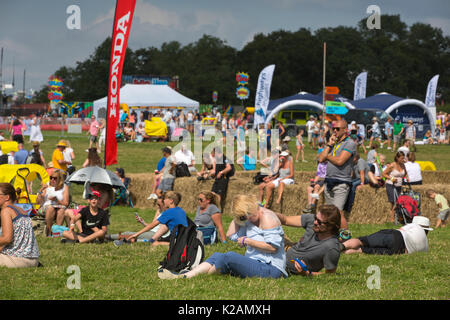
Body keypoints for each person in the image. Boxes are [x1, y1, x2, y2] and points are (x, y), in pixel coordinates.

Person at [159, 194, 287, 279]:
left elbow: (272, 248)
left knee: (229, 256)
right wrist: (237, 218)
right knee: (217, 255)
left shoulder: (267, 218)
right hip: (256, 263)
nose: (245, 220)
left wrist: (248, 241)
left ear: (251, 209)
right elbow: (231, 235)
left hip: (271, 269)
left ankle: (199, 277)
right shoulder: (250, 218)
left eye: (245, 216)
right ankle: (187, 276)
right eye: (242, 217)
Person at [276, 204, 342, 276]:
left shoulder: (331, 247)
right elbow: (285, 220)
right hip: (285, 252)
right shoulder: (313, 221)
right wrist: (268, 213)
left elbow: (329, 275)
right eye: (315, 218)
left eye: (319, 222)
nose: (315, 222)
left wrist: (307, 273)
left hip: (286, 268)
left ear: (330, 226)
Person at [318, 119, 356, 230]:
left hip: (342, 182)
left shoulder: (350, 143)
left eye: (337, 129)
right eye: (333, 128)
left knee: (338, 212)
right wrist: (329, 145)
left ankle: (345, 236)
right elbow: (320, 159)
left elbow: (340, 161)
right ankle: (331, 235)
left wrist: (327, 155)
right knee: (329, 213)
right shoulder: (333, 143)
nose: (334, 131)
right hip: (329, 180)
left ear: (345, 130)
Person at [343, 216, 433, 255]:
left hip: (395, 235)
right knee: (363, 250)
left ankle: (340, 246)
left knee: (362, 241)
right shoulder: (425, 246)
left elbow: (400, 230)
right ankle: (349, 252)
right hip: (399, 250)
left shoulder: (414, 226)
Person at [0, 183, 40, 268]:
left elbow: (7, 238)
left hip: (17, 260)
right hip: (33, 260)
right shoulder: (22, 210)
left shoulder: (6, 211)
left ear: (7, 197)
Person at [36, 170, 70, 236]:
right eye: (51, 178)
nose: (52, 180)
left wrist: (57, 200)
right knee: (51, 208)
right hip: (45, 207)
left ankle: (56, 231)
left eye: (55, 178)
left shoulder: (64, 187)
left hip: (59, 206)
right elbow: (37, 202)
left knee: (62, 210)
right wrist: (41, 190)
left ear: (60, 179)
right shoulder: (47, 185)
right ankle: (49, 231)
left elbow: (66, 203)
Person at [383, 152, 409, 223]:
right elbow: (383, 174)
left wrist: (407, 178)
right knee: (393, 202)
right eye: (401, 158)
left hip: (399, 186)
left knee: (397, 202)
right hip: (391, 185)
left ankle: (396, 217)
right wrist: (391, 178)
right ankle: (392, 219)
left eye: (403, 158)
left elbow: (405, 173)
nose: (403, 159)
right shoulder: (392, 165)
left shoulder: (403, 165)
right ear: (397, 158)